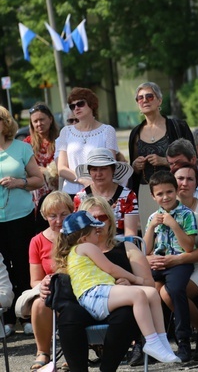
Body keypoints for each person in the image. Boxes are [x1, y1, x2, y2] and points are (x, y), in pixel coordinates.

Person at [54, 211, 181, 363]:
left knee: (152, 294)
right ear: (84, 237)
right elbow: (111, 269)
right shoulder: (87, 247)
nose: (98, 232)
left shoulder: (80, 249)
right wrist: (135, 279)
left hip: (100, 293)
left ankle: (162, 341)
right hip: (94, 295)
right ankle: (151, 341)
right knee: (138, 295)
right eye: (95, 230)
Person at [42, 197, 152, 371]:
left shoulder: (127, 248)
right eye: (91, 219)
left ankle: (107, 369)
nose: (97, 224)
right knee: (69, 315)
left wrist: (130, 284)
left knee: (126, 315)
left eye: (102, 218)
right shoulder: (71, 252)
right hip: (81, 304)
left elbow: (149, 285)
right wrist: (46, 284)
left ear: (110, 219)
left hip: (116, 303)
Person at [143, 171, 198, 361]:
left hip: (178, 262)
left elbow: (189, 246)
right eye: (160, 194)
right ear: (153, 196)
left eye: (169, 192)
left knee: (175, 291)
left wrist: (174, 224)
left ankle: (183, 341)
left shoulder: (187, 214)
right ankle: (147, 343)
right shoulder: (152, 218)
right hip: (158, 263)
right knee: (142, 290)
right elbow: (147, 248)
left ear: (176, 191)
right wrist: (150, 228)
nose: (165, 197)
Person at [0, 106, 43, 336]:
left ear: (5, 123)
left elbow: (39, 180)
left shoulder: (22, 147)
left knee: (24, 266)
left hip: (21, 217)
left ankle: (26, 315)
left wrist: (18, 182)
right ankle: (6, 320)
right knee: (1, 269)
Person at [128, 82, 194, 232]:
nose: (145, 100)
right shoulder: (135, 133)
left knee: (181, 231)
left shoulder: (178, 126)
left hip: (176, 188)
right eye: (140, 98)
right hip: (147, 192)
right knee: (151, 233)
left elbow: (192, 158)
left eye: (149, 96)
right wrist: (135, 166)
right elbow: (133, 171)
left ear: (159, 100)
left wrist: (165, 161)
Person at [22, 192, 72, 370]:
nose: (58, 220)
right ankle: (43, 352)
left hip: (76, 287)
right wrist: (43, 285)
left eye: (64, 214)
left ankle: (71, 352)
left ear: (71, 213)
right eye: (53, 216)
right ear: (45, 217)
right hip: (51, 288)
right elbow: (34, 280)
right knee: (40, 304)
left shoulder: (78, 236)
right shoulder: (36, 241)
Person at [57, 88, 118, 197]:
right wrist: (83, 180)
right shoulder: (66, 132)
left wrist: (93, 184)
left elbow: (110, 165)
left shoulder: (108, 130)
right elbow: (61, 168)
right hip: (71, 193)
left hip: (99, 192)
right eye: (72, 106)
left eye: (80, 104)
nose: (76, 108)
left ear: (91, 104)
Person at [73, 148, 138, 237]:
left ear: (113, 170)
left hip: (120, 246)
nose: (98, 174)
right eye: (94, 169)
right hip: (89, 247)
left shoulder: (128, 196)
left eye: (103, 168)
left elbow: (131, 234)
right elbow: (78, 232)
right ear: (89, 172)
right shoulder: (80, 197)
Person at [23, 103, 59, 232]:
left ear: (50, 118)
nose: (39, 124)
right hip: (35, 194)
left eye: (42, 119)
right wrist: (47, 171)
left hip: (56, 191)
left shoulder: (60, 140)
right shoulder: (27, 144)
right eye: (35, 121)